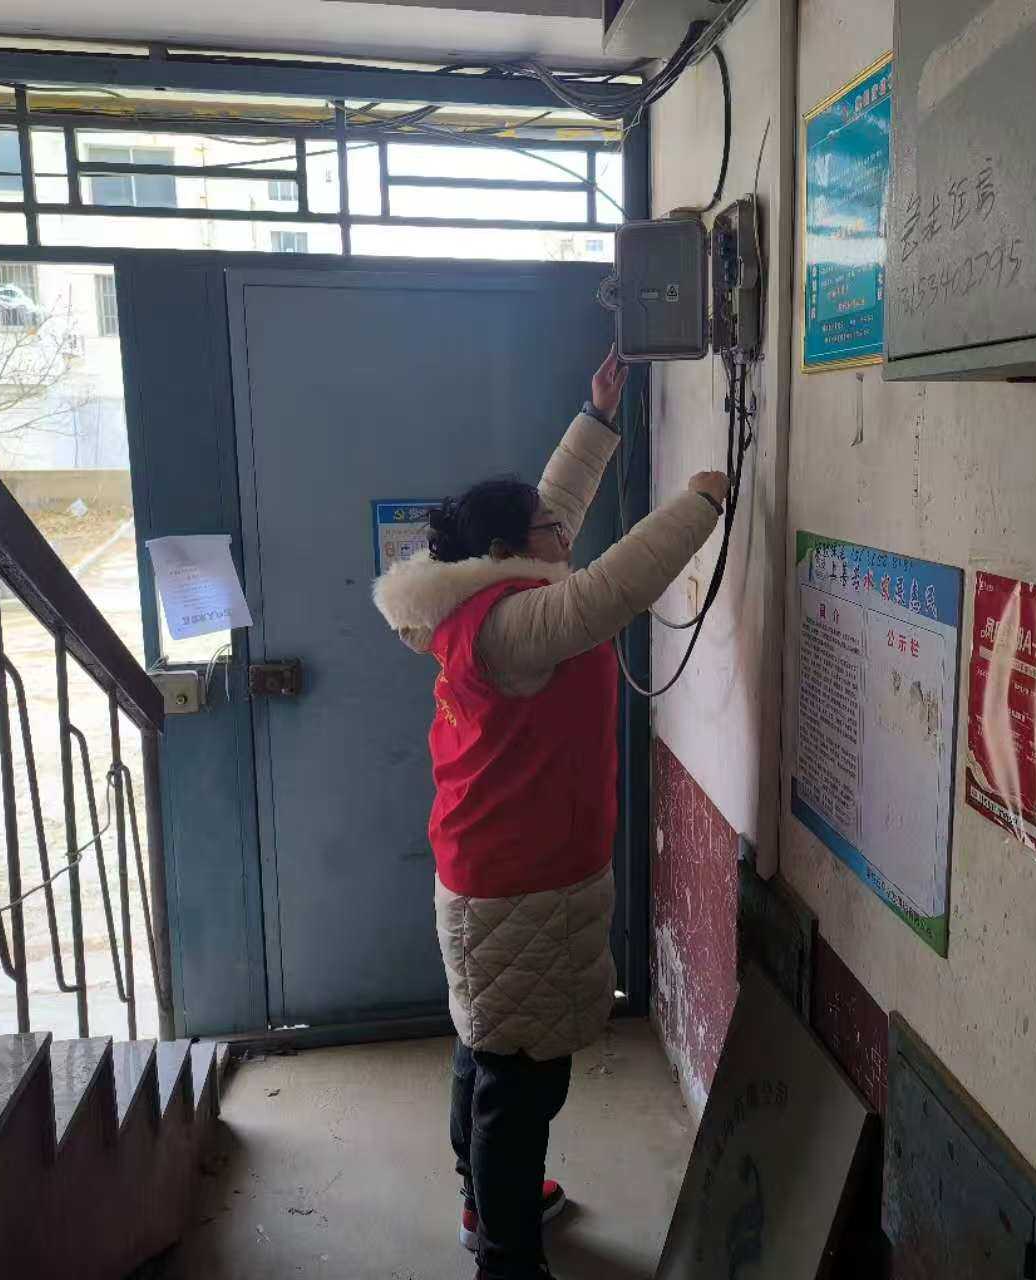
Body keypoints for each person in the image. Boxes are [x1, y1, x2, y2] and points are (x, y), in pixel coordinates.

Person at [373, 347, 729, 1280]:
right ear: (507, 551)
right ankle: (506, 1256)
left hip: (494, 873)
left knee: (489, 1047)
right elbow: (611, 586)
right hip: (520, 882)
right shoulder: (513, 626)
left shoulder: (477, 599)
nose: (558, 532)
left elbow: (555, 515)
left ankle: (482, 1199)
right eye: (542, 530)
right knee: (520, 1081)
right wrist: (699, 504)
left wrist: (597, 417)